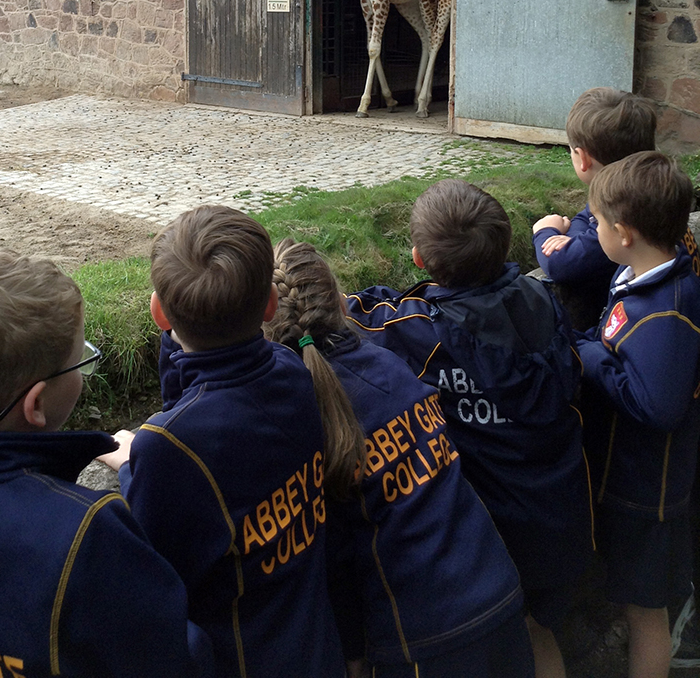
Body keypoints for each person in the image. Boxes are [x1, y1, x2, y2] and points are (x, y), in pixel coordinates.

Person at [0, 248, 211, 678]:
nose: (84, 370)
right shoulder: (88, 532)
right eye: (80, 360)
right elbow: (176, 656)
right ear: (36, 404)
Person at [346, 179, 592, 678]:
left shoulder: (425, 328)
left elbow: (355, 316)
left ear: (418, 257)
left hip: (492, 533)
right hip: (564, 513)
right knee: (540, 634)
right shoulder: (543, 301)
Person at [266, 238, 534, 678]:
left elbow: (334, 557)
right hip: (496, 588)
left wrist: (353, 652)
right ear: (339, 302)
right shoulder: (387, 363)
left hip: (422, 634)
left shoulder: (298, 414)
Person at [99, 205, 345, 678]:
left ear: (158, 314)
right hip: (316, 648)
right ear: (271, 304)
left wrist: (136, 463)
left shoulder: (166, 448)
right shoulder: (294, 369)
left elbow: (154, 571)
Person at [576, 151, 700, 678]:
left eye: (597, 222)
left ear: (623, 232)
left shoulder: (666, 312)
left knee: (645, 613)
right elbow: (609, 335)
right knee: (632, 601)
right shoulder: (639, 277)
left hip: (647, 494)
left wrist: (593, 360)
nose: (593, 228)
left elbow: (659, 405)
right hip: (627, 482)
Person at [532, 86, 657, 330]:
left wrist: (545, 232)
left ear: (583, 158)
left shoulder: (625, 211)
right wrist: (579, 238)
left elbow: (561, 265)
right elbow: (587, 216)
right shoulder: (642, 186)